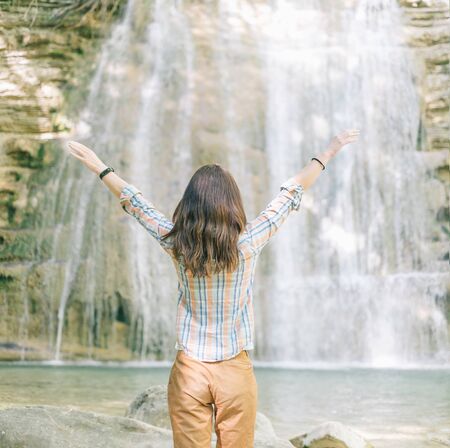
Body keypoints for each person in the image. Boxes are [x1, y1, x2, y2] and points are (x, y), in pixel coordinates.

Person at [66, 128, 360, 447]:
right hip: (235, 368)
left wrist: (100, 167)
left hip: (190, 370)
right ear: (233, 204)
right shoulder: (248, 243)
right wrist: (329, 151)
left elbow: (137, 205)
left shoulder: (176, 242)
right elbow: (290, 195)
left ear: (189, 204)